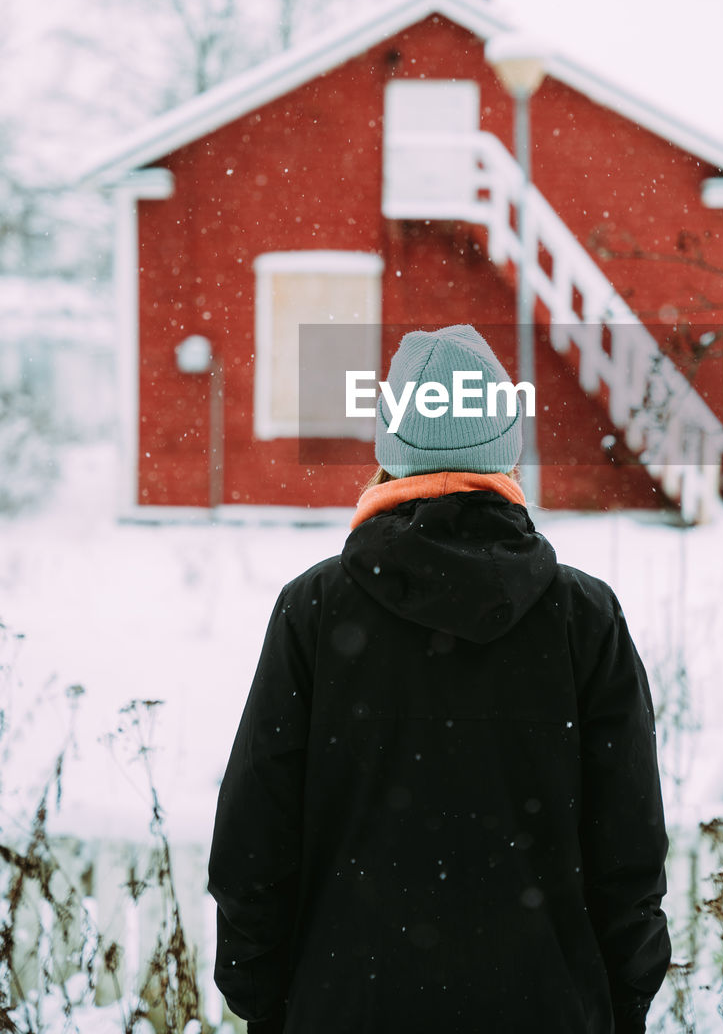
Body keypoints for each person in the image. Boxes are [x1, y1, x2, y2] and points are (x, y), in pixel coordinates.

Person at [208, 324, 671, 1034]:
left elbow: (253, 847)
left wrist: (268, 1004)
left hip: (347, 1005)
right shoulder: (583, 617)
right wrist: (618, 1002)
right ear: (503, 447)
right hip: (547, 1008)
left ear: (391, 449)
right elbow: (629, 853)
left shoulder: (315, 610)